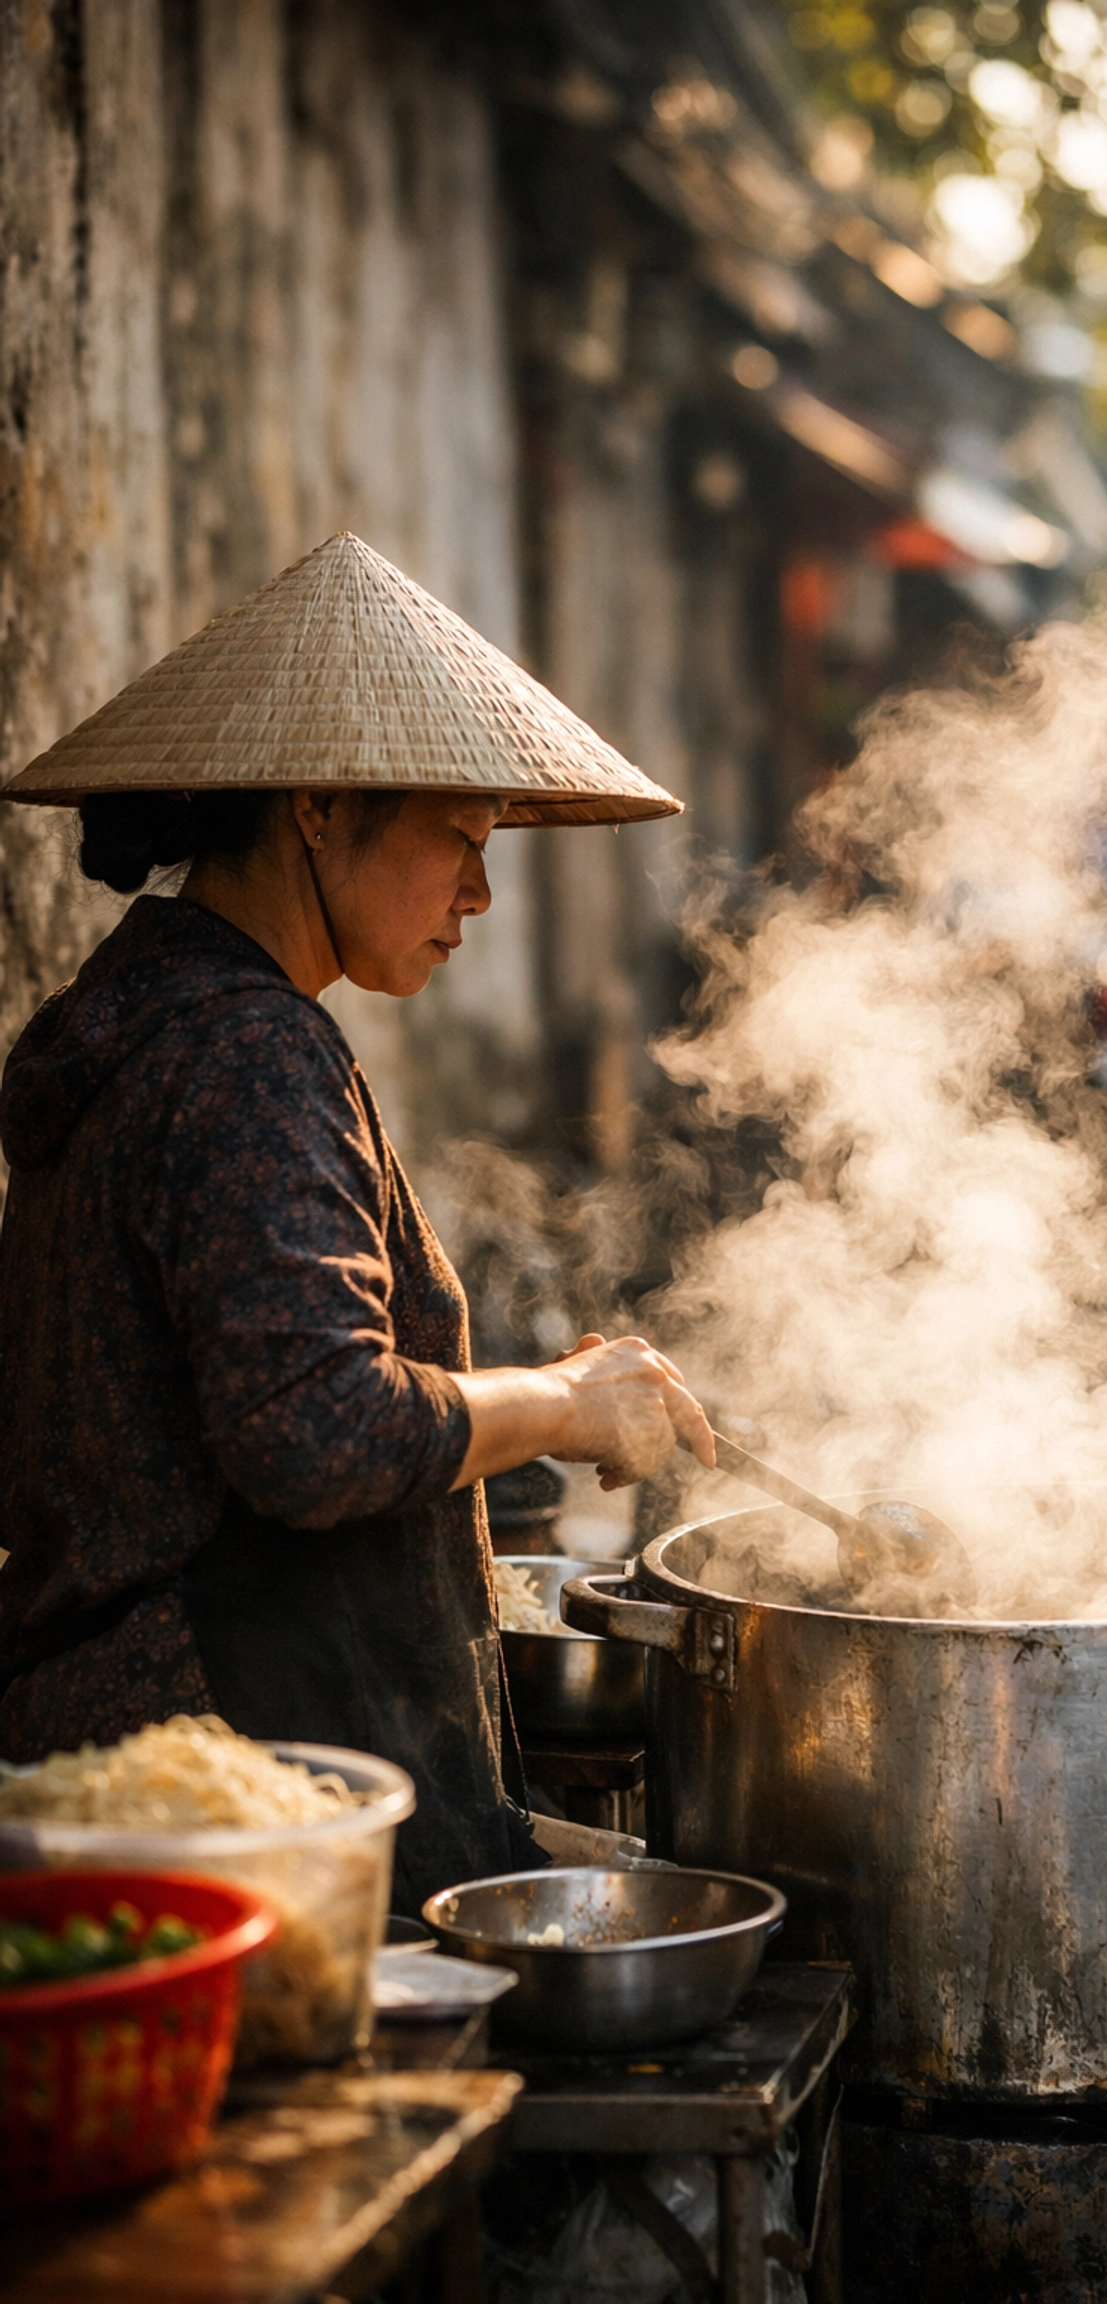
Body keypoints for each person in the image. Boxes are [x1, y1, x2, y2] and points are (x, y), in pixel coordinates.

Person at [0, 534, 715, 1911]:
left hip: (112, 1759)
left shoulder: (140, 1011)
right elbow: (319, 1433)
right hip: (227, 1793)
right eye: (461, 836)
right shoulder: (248, 1051)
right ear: (321, 804)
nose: (480, 894)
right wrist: (562, 1403)